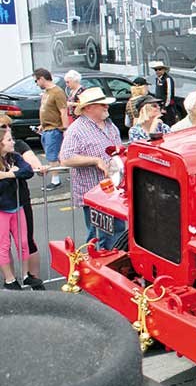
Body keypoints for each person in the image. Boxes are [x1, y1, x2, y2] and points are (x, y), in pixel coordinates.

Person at [59, 87, 126, 250]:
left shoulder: (110, 125)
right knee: (99, 235)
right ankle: (95, 267)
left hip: (113, 191)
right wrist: (95, 160)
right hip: (93, 193)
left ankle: (115, 265)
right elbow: (65, 158)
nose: (106, 107)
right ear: (88, 108)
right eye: (102, 104)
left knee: (117, 231)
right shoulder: (76, 130)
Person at [0, 116, 46, 290]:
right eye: (3, 128)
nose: (9, 130)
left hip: (18, 205)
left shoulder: (15, 155)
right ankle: (10, 280)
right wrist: (10, 177)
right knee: (3, 245)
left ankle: (27, 275)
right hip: (3, 209)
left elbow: (28, 170)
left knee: (24, 242)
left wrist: (9, 174)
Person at [34, 68, 68, 190]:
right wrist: (41, 125)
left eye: (36, 81)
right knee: (51, 154)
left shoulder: (57, 92)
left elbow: (63, 112)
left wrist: (65, 130)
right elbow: (47, 111)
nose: (36, 84)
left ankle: (55, 180)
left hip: (54, 129)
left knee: (52, 155)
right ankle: (61, 173)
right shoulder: (47, 93)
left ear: (41, 78)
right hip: (47, 128)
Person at [151, 61, 176, 126]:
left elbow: (169, 94)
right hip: (159, 106)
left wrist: (165, 107)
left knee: (169, 124)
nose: (157, 71)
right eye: (156, 69)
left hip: (167, 107)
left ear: (164, 69)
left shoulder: (168, 79)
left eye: (159, 69)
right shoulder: (157, 79)